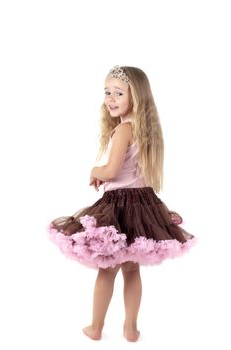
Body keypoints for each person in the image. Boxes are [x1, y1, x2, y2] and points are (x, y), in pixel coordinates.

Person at [48, 65, 196, 342]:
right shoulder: (147, 131)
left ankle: (95, 328)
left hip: (118, 206)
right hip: (144, 204)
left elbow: (112, 171)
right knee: (131, 268)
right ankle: (130, 328)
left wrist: (95, 170)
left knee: (107, 269)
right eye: (107, 92)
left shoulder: (124, 130)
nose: (111, 99)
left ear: (136, 97)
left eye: (118, 93)